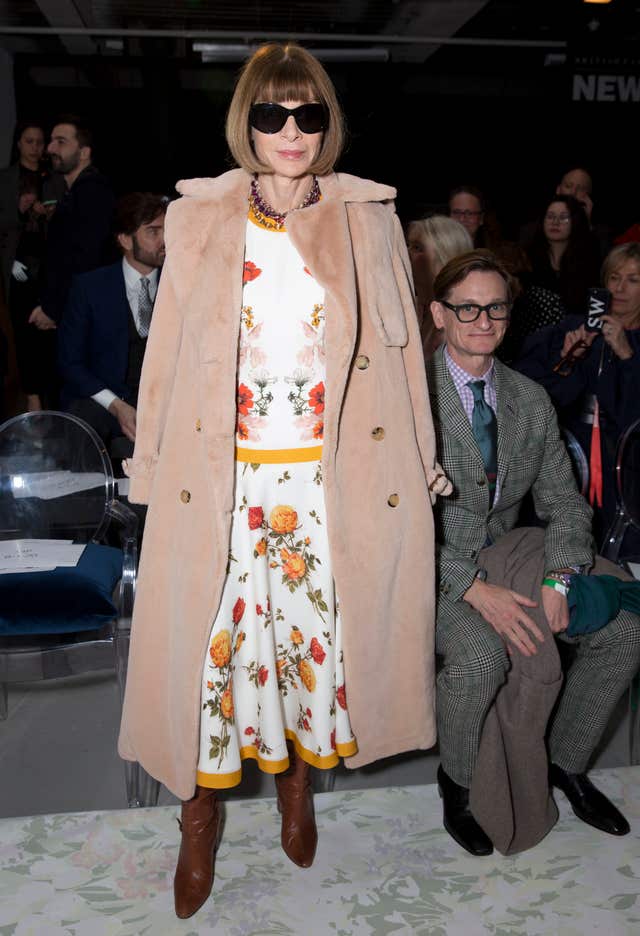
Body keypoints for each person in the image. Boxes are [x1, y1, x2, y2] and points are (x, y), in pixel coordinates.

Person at [118, 42, 447, 919]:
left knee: (315, 647)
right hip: (217, 481)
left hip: (326, 477)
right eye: (273, 114)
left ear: (327, 122)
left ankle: (298, 784)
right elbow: (165, 358)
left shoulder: (365, 215)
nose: (292, 131)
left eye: (309, 114)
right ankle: (199, 823)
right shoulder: (199, 216)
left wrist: (419, 458)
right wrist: (147, 465)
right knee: (207, 660)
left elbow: (402, 347)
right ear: (248, 123)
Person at [426, 249, 640, 856]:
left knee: (626, 628)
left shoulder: (528, 398)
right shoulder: (406, 400)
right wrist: (469, 586)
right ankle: (459, 784)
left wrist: (561, 575)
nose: (482, 319)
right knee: (483, 654)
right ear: (440, 313)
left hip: (517, 557)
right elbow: (387, 528)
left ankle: (565, 765)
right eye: (466, 307)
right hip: (431, 573)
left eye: (495, 306)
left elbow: (567, 506)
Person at [516, 242, 640, 553]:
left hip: (626, 472)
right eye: (614, 277)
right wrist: (567, 359)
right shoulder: (573, 328)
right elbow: (535, 394)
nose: (621, 288)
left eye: (634, 280)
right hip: (570, 462)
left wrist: (626, 355)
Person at [58, 192, 166, 461]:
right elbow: (69, 362)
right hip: (103, 400)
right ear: (125, 240)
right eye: (153, 232)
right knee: (82, 422)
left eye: (167, 230)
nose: (165, 240)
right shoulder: (90, 287)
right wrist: (116, 405)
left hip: (162, 400)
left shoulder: (182, 285)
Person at [0, 120, 63, 410]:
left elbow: (65, 218)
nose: (36, 148)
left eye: (40, 142)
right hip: (17, 264)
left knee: (49, 333)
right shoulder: (6, 178)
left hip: (48, 264)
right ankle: (30, 398)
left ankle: (47, 399)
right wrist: (19, 210)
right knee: (22, 334)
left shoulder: (52, 177)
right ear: (18, 144)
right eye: (30, 141)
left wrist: (51, 213)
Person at [34, 115, 115, 331]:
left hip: (83, 313)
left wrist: (53, 308)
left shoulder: (93, 192)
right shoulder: (76, 191)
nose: (50, 148)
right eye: (51, 141)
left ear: (84, 153)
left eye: (61, 142)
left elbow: (85, 258)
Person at [406, 214, 472, 357]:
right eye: (408, 245)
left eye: (417, 248)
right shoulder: (416, 307)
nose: (406, 253)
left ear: (445, 256)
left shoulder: (457, 322)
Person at [526, 194, 600, 316]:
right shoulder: (526, 258)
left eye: (564, 217)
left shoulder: (588, 262)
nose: (555, 222)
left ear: (575, 221)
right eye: (550, 217)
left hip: (574, 331)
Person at [448, 185, 501, 251]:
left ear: (481, 219)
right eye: (456, 212)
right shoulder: (435, 251)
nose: (462, 219)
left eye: (470, 213)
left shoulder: (495, 254)